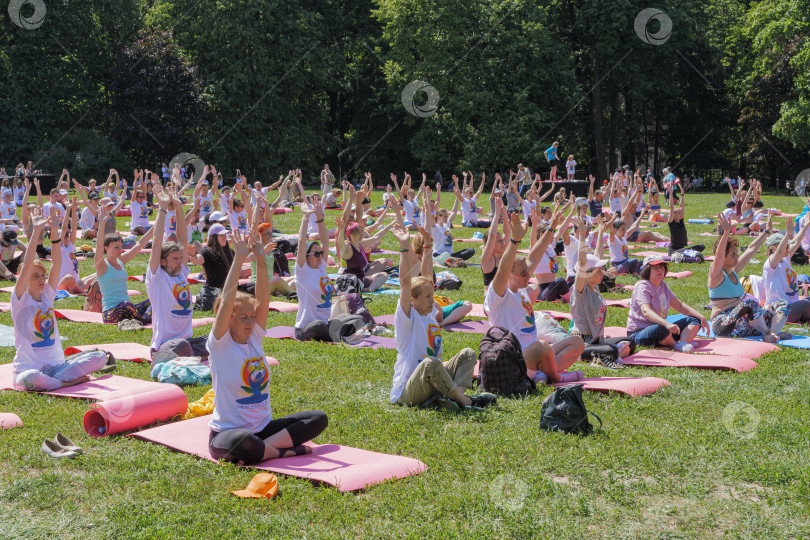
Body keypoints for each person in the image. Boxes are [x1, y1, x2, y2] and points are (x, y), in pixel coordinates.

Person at [207, 227, 328, 464]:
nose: (251, 322)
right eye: (243, 318)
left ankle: (263, 450)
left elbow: (264, 299)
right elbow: (227, 300)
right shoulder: (220, 344)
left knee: (318, 418)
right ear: (229, 317)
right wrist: (240, 258)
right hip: (229, 434)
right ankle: (279, 451)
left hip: (264, 429)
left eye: (252, 316)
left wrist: (262, 260)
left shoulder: (253, 337)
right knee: (243, 440)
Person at [390, 223, 495, 409]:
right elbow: (405, 283)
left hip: (432, 381)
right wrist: (404, 246)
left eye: (432, 295)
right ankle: (466, 402)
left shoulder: (428, 313)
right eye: (427, 297)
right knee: (431, 363)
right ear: (412, 301)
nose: (433, 301)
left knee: (468, 354)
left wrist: (429, 246)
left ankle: (455, 397)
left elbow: (428, 276)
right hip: (407, 392)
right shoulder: (408, 317)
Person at [11, 209, 108, 391]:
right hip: (29, 370)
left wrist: (55, 232)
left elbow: (57, 263)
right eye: (36, 276)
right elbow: (28, 263)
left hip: (57, 368)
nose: (42, 279)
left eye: (43, 275)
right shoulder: (20, 300)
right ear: (25, 279)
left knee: (100, 357)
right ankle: (67, 383)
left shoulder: (47, 295)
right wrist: (37, 231)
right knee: (30, 378)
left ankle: (55, 381)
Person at [485, 210, 584, 384]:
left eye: (527, 271)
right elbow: (502, 271)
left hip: (532, 356)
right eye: (523, 273)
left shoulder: (521, 289)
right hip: (514, 360)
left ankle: (541, 374)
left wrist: (552, 227)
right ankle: (556, 377)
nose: (528, 275)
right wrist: (514, 241)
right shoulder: (498, 297)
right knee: (542, 346)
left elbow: (535, 257)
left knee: (577, 343)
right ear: (510, 275)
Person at [146, 184, 208, 362]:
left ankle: (195, 355)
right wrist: (163, 207)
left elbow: (182, 238)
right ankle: (186, 356)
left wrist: (179, 206)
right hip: (167, 345)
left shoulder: (182, 272)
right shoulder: (157, 277)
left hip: (188, 341)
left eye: (180, 258)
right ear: (163, 261)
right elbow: (157, 241)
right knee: (182, 347)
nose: (180, 262)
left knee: (220, 338)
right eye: (175, 259)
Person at [708, 213, 790, 343]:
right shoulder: (716, 275)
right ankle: (767, 332)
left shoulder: (733, 271)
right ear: (723, 256)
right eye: (733, 254)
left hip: (746, 324)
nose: (736, 257)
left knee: (782, 304)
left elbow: (751, 249)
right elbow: (718, 256)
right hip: (724, 325)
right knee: (750, 303)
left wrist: (766, 232)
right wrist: (726, 233)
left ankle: (772, 333)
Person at [571, 217, 635, 368]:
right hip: (582, 343)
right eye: (599, 270)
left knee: (630, 342)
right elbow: (582, 263)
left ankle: (607, 355)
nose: (603, 273)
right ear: (587, 273)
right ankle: (605, 356)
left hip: (597, 341)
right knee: (612, 350)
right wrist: (581, 235)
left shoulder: (595, 286)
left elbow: (598, 254)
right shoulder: (581, 289)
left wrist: (600, 232)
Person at [626, 256, 709, 352]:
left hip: (663, 331)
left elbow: (679, 305)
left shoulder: (662, 285)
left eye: (662, 267)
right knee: (660, 328)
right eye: (656, 267)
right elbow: (646, 311)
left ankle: (683, 343)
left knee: (694, 320)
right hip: (639, 333)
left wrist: (701, 317)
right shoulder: (642, 286)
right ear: (647, 270)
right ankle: (675, 345)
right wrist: (667, 324)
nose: (660, 270)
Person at [95, 205, 154, 325]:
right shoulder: (102, 265)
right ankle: (143, 319)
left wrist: (155, 227)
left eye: (121, 246)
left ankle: (140, 318)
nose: (120, 249)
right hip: (110, 313)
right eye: (116, 247)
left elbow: (140, 244)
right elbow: (98, 246)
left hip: (127, 309)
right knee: (126, 305)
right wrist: (101, 224)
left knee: (154, 299)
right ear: (106, 248)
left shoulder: (121, 261)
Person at [294, 201, 336, 341]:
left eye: (321, 253)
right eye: (316, 254)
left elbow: (325, 241)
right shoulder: (303, 272)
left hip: (326, 322)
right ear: (306, 257)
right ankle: (335, 334)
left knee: (350, 319)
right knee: (319, 325)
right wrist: (306, 217)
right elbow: (301, 242)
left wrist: (320, 217)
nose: (320, 256)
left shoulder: (321, 268)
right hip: (306, 328)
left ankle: (336, 332)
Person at [762, 216, 810, 324]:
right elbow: (779, 252)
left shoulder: (785, 260)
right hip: (778, 311)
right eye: (786, 247)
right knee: (806, 304)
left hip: (791, 307)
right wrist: (787, 234)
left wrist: (805, 226)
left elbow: (796, 242)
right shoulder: (770, 265)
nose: (789, 248)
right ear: (774, 248)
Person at [56, 200, 87, 295]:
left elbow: (74, 229)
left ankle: (77, 290)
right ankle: (81, 292)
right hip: (64, 283)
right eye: (66, 236)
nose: (69, 237)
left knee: (98, 274)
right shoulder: (59, 248)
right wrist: (68, 209)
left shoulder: (69, 246)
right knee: (69, 277)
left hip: (75, 282)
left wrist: (73, 210)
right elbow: (64, 228)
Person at [666, 182, 704, 256]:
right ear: (674, 215)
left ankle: (687, 251)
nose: (681, 214)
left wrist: (682, 194)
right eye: (679, 213)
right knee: (690, 249)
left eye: (681, 212)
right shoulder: (672, 223)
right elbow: (671, 208)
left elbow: (682, 207)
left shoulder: (681, 222)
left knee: (702, 246)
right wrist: (671, 194)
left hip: (682, 249)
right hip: (673, 251)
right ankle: (688, 251)